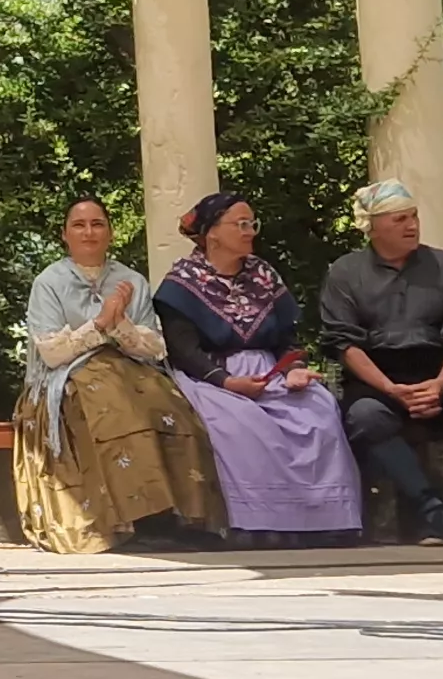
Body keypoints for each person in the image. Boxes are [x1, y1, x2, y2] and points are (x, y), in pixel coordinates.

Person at [153, 193, 364, 546]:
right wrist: (228, 382)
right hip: (212, 376)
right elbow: (184, 351)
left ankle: (327, 520)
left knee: (319, 411)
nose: (250, 231)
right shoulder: (180, 284)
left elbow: (285, 337)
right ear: (212, 233)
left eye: (252, 223)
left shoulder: (263, 274)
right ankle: (258, 524)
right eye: (241, 224)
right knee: (242, 424)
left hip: (270, 370)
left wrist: (293, 368)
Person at [12, 197, 220, 553]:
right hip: (70, 376)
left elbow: (155, 347)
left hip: (130, 369)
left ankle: (183, 516)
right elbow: (52, 352)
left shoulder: (129, 279)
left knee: (173, 405)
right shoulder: (49, 282)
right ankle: (137, 519)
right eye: (79, 225)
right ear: (65, 235)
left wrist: (120, 321)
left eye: (97, 224)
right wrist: (100, 323)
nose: (89, 232)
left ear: (110, 232)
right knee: (114, 407)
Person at [318, 179, 443, 547]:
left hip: (440, 369)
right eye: (399, 219)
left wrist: (439, 384)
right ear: (372, 228)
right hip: (377, 376)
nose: (412, 226)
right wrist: (391, 389)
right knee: (364, 416)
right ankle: (431, 511)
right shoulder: (345, 272)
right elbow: (343, 344)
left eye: (414, 216)